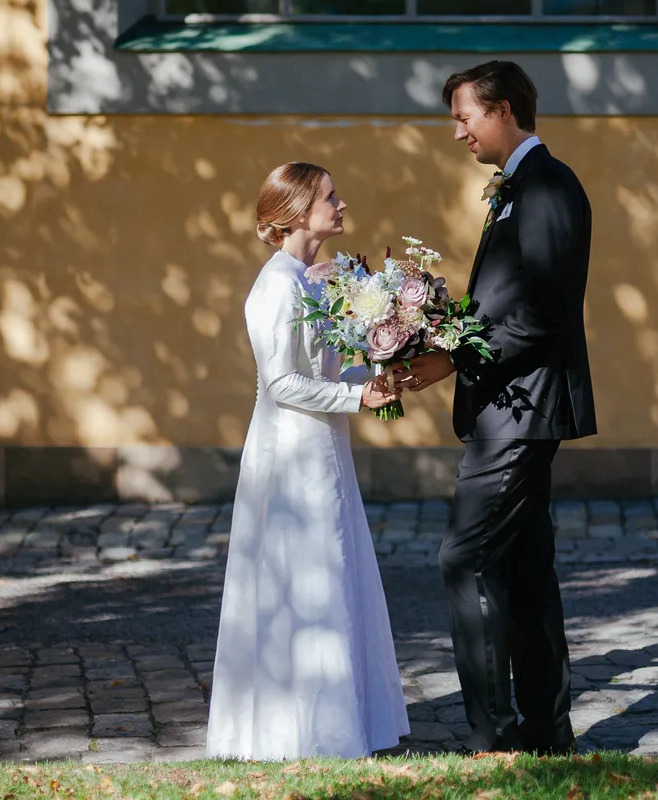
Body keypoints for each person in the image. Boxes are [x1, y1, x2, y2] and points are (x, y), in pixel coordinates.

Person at [395, 61, 597, 755]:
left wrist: (454, 356)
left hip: (523, 408)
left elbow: (545, 313)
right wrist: (434, 328)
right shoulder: (519, 189)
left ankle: (496, 741)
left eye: (464, 117)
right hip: (505, 405)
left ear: (503, 110)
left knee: (466, 557)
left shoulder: (549, 186)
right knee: (522, 568)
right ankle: (545, 735)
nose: (458, 132)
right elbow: (508, 304)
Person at [204, 162, 410, 761]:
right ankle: (293, 728)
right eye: (329, 196)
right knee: (304, 572)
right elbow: (281, 383)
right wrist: (355, 396)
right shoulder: (276, 286)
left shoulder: (312, 280)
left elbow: (319, 367)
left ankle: (341, 719)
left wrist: (379, 373)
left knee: (334, 564)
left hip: (324, 445)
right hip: (292, 451)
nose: (341, 204)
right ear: (296, 211)